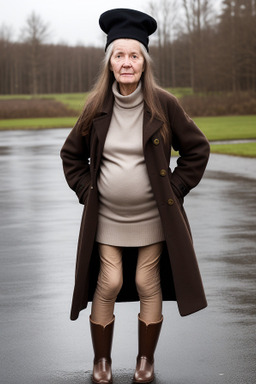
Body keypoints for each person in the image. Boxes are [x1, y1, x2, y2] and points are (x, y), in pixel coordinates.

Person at [60, 8, 210, 384]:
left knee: (147, 281)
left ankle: (145, 360)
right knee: (108, 282)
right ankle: (102, 361)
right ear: (109, 62)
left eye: (134, 55)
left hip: (154, 219)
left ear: (144, 62)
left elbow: (198, 150)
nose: (126, 63)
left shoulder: (164, 103)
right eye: (119, 55)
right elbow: (70, 156)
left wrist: (175, 189)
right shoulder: (95, 107)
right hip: (107, 218)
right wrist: (86, 191)